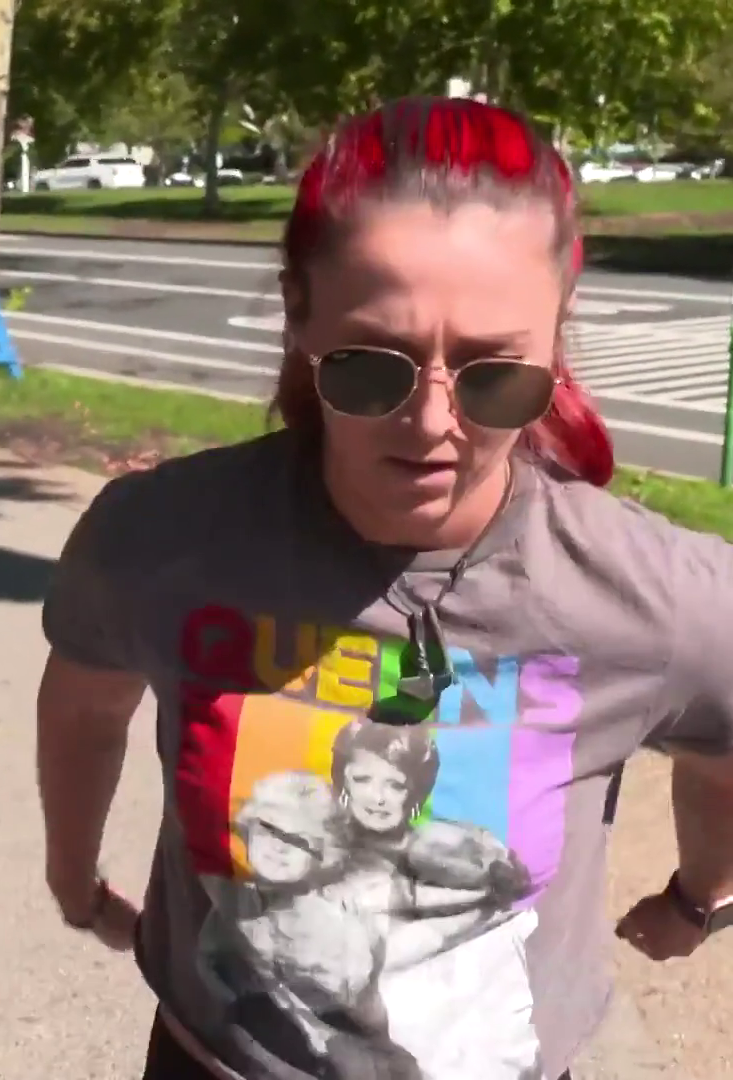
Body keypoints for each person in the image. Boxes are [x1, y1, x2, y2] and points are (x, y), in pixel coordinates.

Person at [36, 96, 733, 1080]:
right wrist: (74, 878)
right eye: (371, 368)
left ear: (558, 332)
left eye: (496, 374)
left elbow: (723, 744)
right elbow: (83, 707)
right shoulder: (157, 539)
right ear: (299, 314)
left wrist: (700, 896)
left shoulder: (657, 594)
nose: (433, 423)